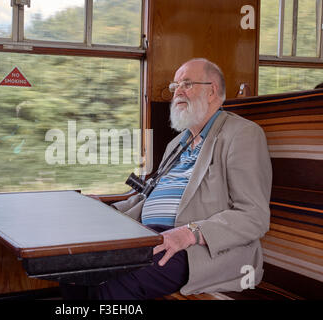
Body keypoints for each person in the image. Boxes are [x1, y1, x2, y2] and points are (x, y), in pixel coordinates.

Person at [62, 58, 272, 300]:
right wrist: (105, 210)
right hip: (150, 234)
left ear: (212, 90)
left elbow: (254, 216)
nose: (177, 92)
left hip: (198, 248)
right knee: (73, 268)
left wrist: (189, 233)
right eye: (175, 87)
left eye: (186, 84)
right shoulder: (178, 143)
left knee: (111, 283)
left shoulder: (242, 134)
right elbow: (146, 197)